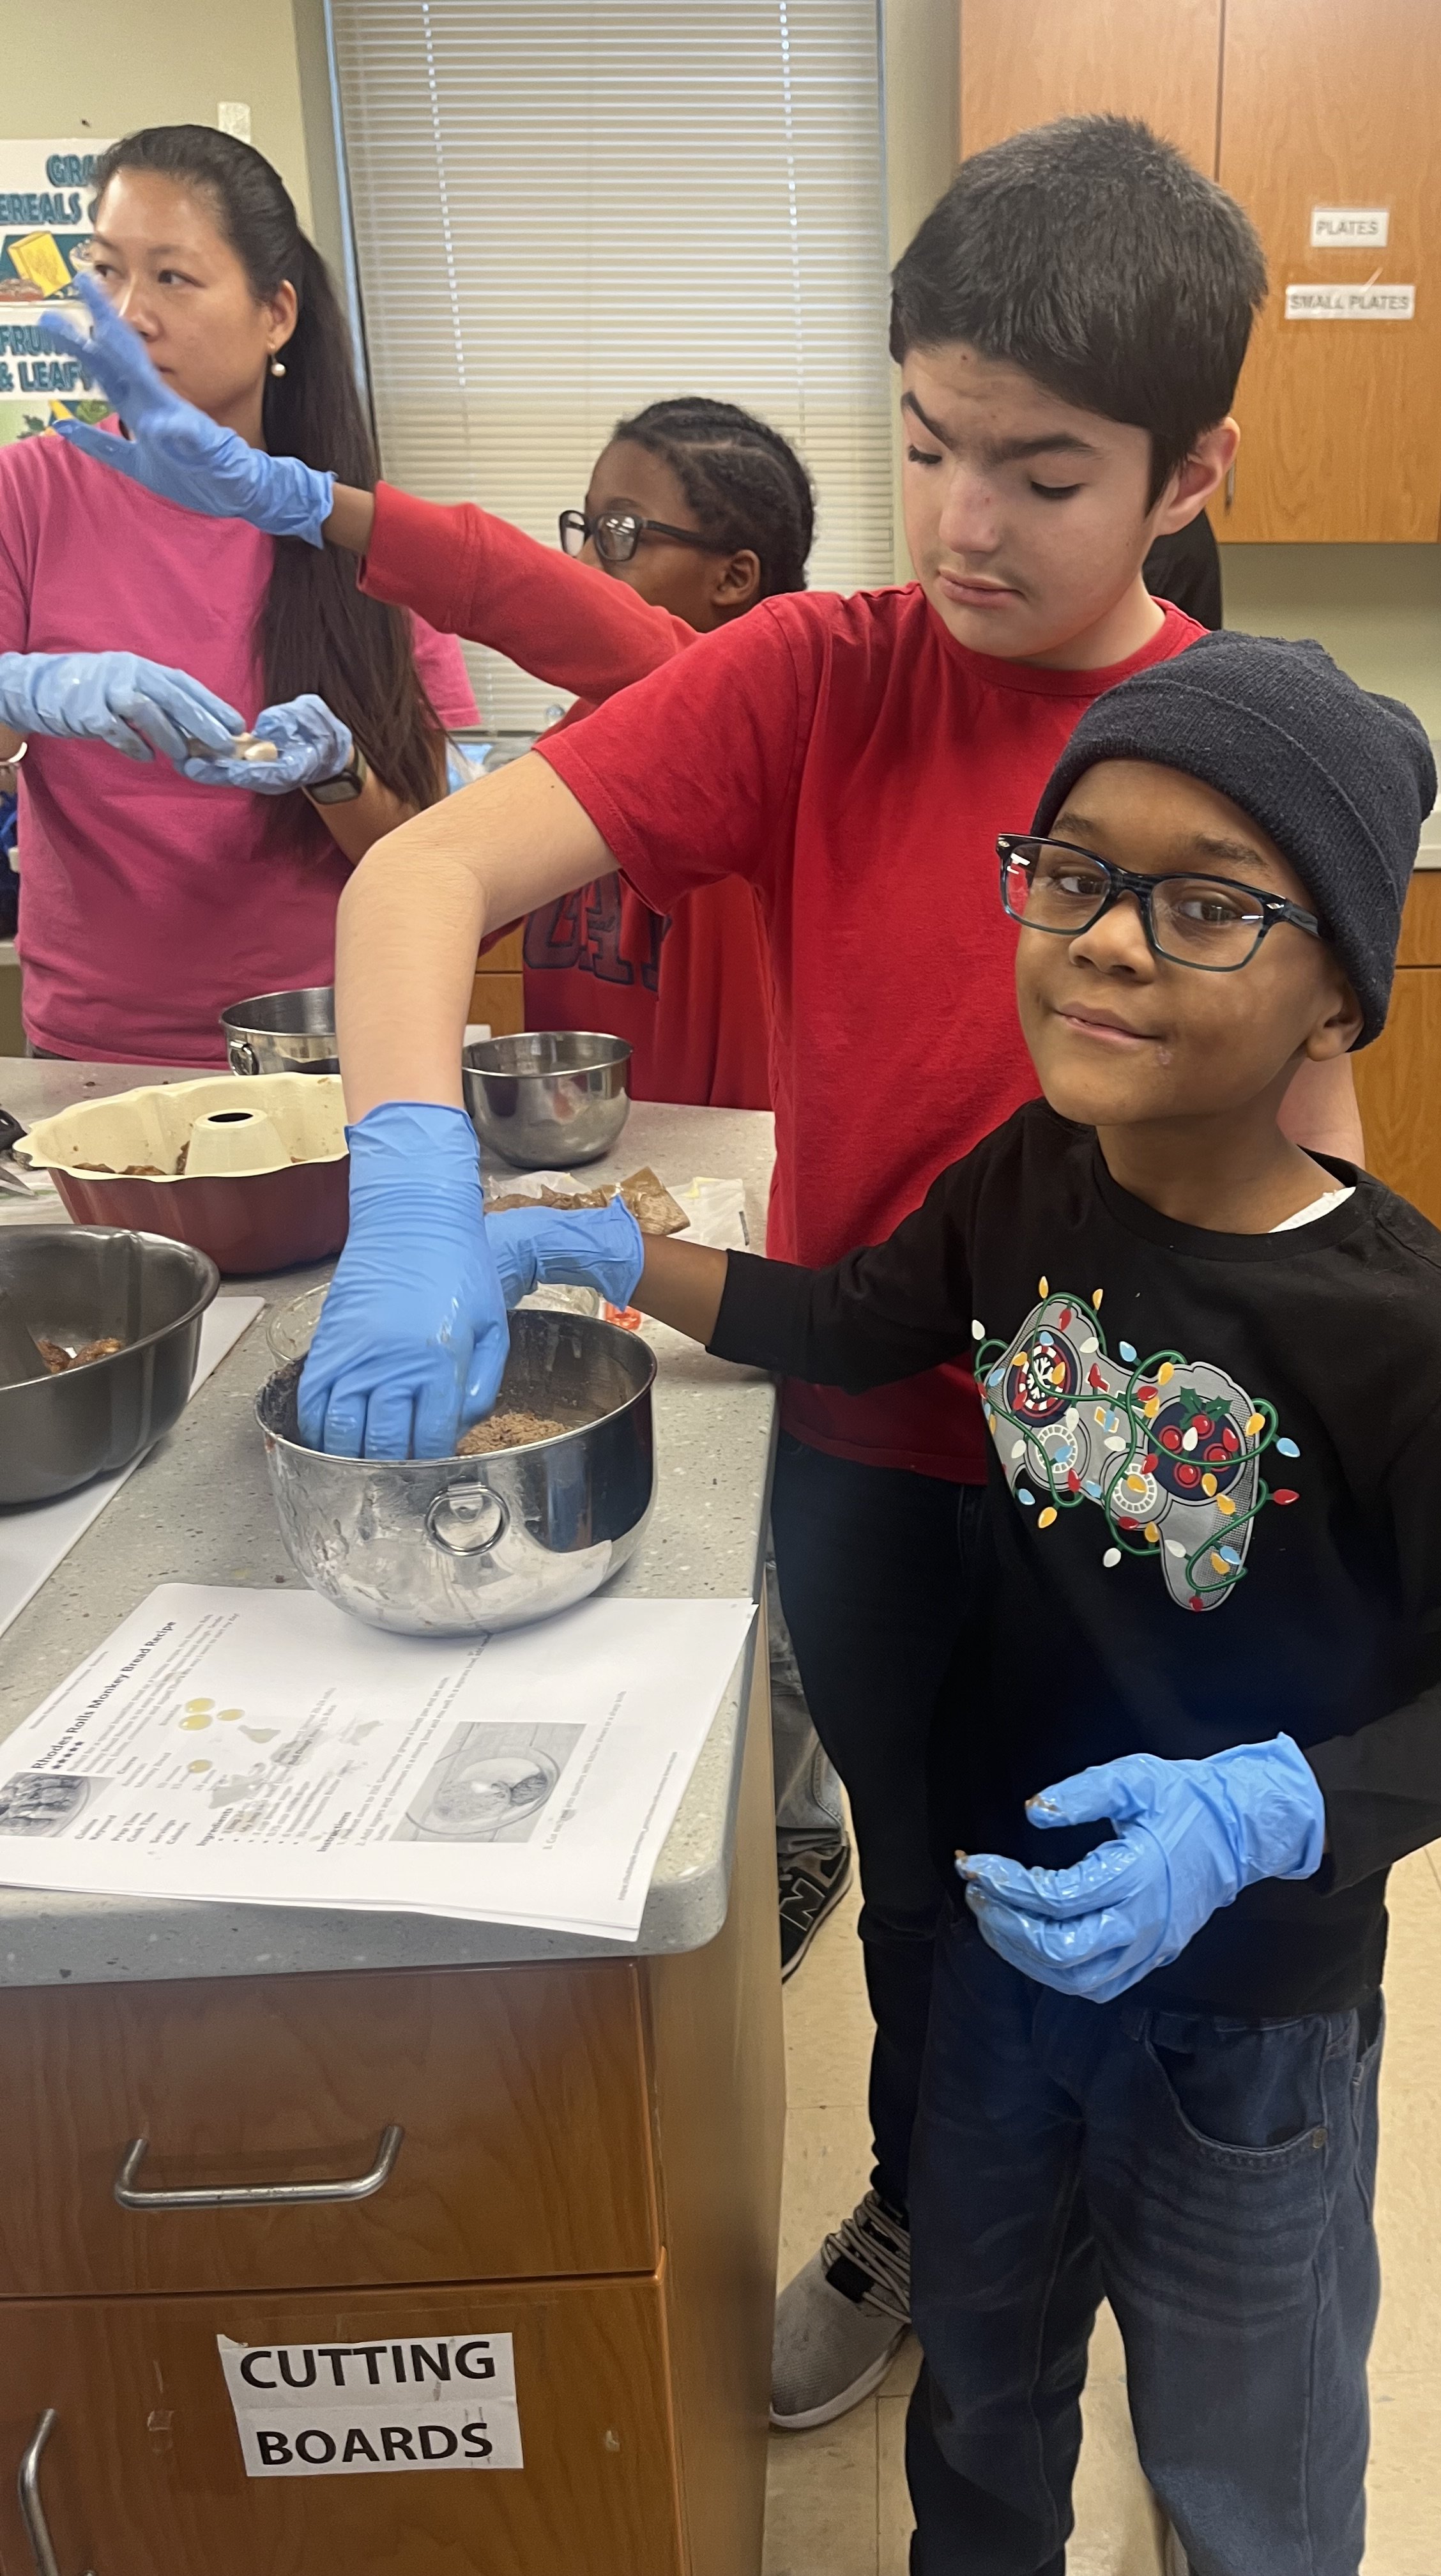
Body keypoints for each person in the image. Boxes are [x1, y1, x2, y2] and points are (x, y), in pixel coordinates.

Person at [289, 115, 1368, 2429]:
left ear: (1191, 471)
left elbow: (1314, 1168)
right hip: (870, 1438)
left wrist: (1296, 1500)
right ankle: (926, 2215)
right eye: (926, 444)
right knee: (921, 1888)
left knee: (1153, 1922)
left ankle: (1169, 2298)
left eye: (1041, 470)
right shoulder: (816, 676)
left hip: (1132, 1475)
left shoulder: (1237, 746)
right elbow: (418, 886)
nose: (962, 521)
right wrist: (406, 1181)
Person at [476, 631, 1441, 2573]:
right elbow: (850, 1324)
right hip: (1008, 1960)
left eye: (1203, 905)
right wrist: (598, 1250)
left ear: (1337, 985)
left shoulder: (1408, 1340)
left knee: (1243, 2467)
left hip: (1244, 2018)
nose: (1102, 939)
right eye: (1076, 873)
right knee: (986, 2402)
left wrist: (1270, 1813)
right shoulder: (1031, 1181)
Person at [49, 294, 850, 1967]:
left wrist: (326, 513)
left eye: (630, 530)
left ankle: (794, 1820)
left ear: (737, 585)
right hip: (578, 1191)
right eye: (586, 520)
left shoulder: (742, 705)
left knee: (758, 1561)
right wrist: (341, 781)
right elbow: (447, 904)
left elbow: (560, 619)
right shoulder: (590, 748)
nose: (596, 551)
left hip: (720, 1218)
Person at [3, 125, 475, 1065]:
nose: (129, 314)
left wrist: (337, 773)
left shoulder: (353, 527)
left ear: (276, 315)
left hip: (334, 1051)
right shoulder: (29, 493)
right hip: (95, 1058)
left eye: (173, 277)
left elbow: (440, 854)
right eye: (107, 273)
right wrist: (24, 689)